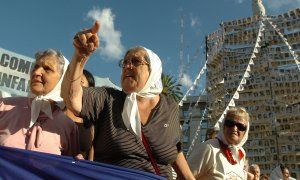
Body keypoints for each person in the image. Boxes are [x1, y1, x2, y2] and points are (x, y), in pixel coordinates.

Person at [61, 21, 195, 180]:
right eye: (124, 62)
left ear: (153, 71)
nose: (127, 66)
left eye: (135, 61)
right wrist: (79, 57)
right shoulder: (108, 99)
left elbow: (175, 150)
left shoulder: (170, 107)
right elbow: (71, 98)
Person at [0, 49, 79, 156]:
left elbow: (67, 169)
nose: (36, 72)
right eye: (36, 67)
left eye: (47, 69)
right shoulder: (4, 106)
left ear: (63, 79)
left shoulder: (68, 127)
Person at [188, 107, 250, 179]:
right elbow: (183, 177)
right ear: (223, 126)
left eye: (240, 126)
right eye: (230, 123)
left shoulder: (241, 153)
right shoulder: (209, 148)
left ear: (245, 132)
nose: (234, 128)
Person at [64, 69, 95, 160]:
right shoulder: (55, 114)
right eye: (73, 81)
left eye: (80, 82)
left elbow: (92, 153)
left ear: (90, 90)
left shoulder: (92, 122)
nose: (75, 85)